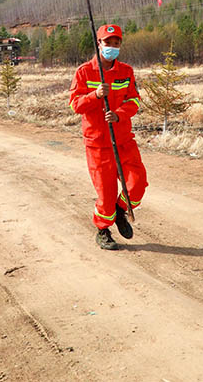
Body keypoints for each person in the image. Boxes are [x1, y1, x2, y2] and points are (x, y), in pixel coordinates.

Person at [69, 24, 147, 250]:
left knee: (138, 183)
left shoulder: (126, 71)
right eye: (108, 43)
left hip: (123, 139)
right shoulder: (84, 72)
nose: (112, 47)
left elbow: (133, 100)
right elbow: (75, 104)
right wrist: (95, 95)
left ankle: (120, 210)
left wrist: (119, 115)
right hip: (98, 144)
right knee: (106, 194)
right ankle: (103, 230)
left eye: (116, 43)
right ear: (99, 43)